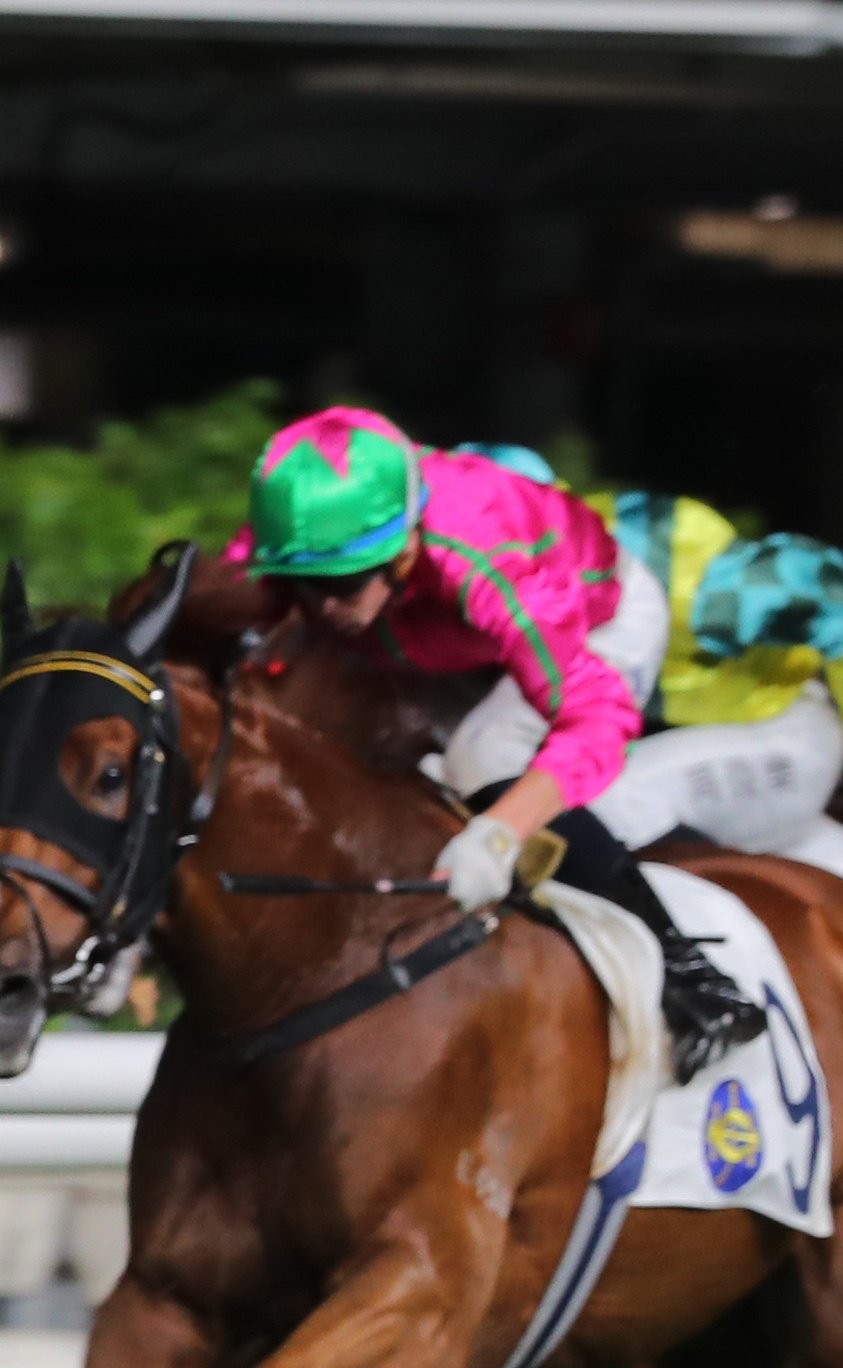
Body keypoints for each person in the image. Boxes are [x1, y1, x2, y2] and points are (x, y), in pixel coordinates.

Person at [237, 406, 766, 1075]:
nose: (321, 606)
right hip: (442, 635)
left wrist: (500, 831)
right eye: (302, 584)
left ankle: (692, 976)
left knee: (481, 758)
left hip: (593, 621)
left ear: (402, 548)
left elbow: (595, 719)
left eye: (341, 583)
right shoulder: (304, 517)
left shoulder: (486, 559)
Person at [587, 489, 843, 854]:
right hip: (698, 736)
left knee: (597, 801)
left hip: (781, 732)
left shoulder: (665, 572)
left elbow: (829, 594)